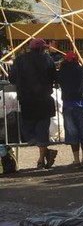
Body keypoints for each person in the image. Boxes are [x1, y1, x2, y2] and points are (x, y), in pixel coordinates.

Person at [9, 38, 58, 169]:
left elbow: (11, 78)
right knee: (42, 130)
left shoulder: (19, 60)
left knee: (28, 129)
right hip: (44, 99)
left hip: (27, 99)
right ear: (42, 48)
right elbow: (55, 76)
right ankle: (43, 154)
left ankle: (42, 158)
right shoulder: (48, 59)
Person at [57, 52, 83, 168]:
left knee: (72, 133)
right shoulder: (82, 70)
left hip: (68, 104)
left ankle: (76, 160)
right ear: (77, 60)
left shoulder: (62, 72)